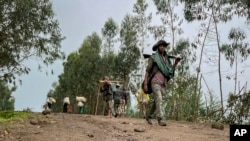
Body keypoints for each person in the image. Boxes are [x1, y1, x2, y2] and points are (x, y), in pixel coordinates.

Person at [143, 40, 181, 126]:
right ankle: (160, 119)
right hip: (154, 82)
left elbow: (170, 71)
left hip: (163, 83)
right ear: (157, 47)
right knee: (159, 98)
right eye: (161, 46)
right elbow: (147, 71)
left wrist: (175, 63)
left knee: (157, 101)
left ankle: (149, 116)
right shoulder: (153, 58)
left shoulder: (167, 60)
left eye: (164, 46)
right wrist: (145, 84)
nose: (162, 47)